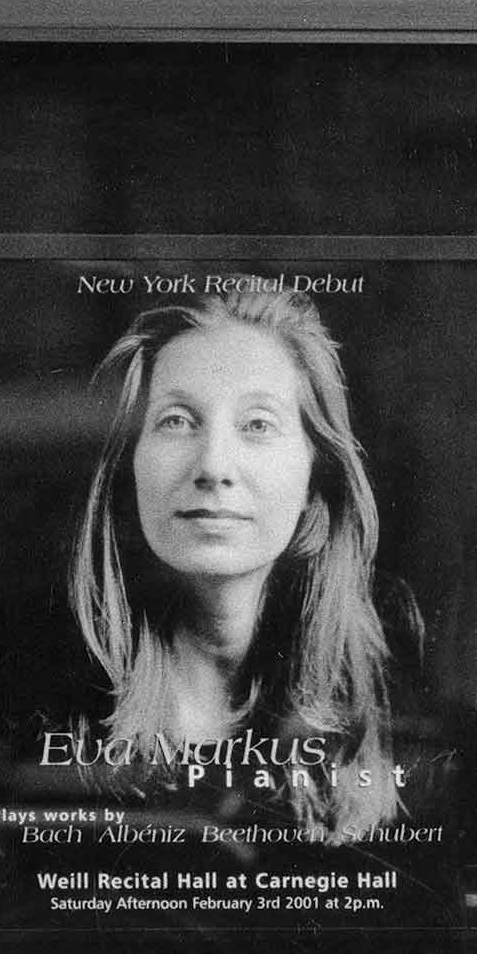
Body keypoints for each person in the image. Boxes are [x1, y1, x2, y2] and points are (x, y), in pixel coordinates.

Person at [67, 283, 402, 843]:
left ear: (315, 475)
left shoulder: (401, 709)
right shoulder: (37, 721)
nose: (214, 467)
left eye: (257, 424)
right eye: (176, 420)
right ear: (128, 467)